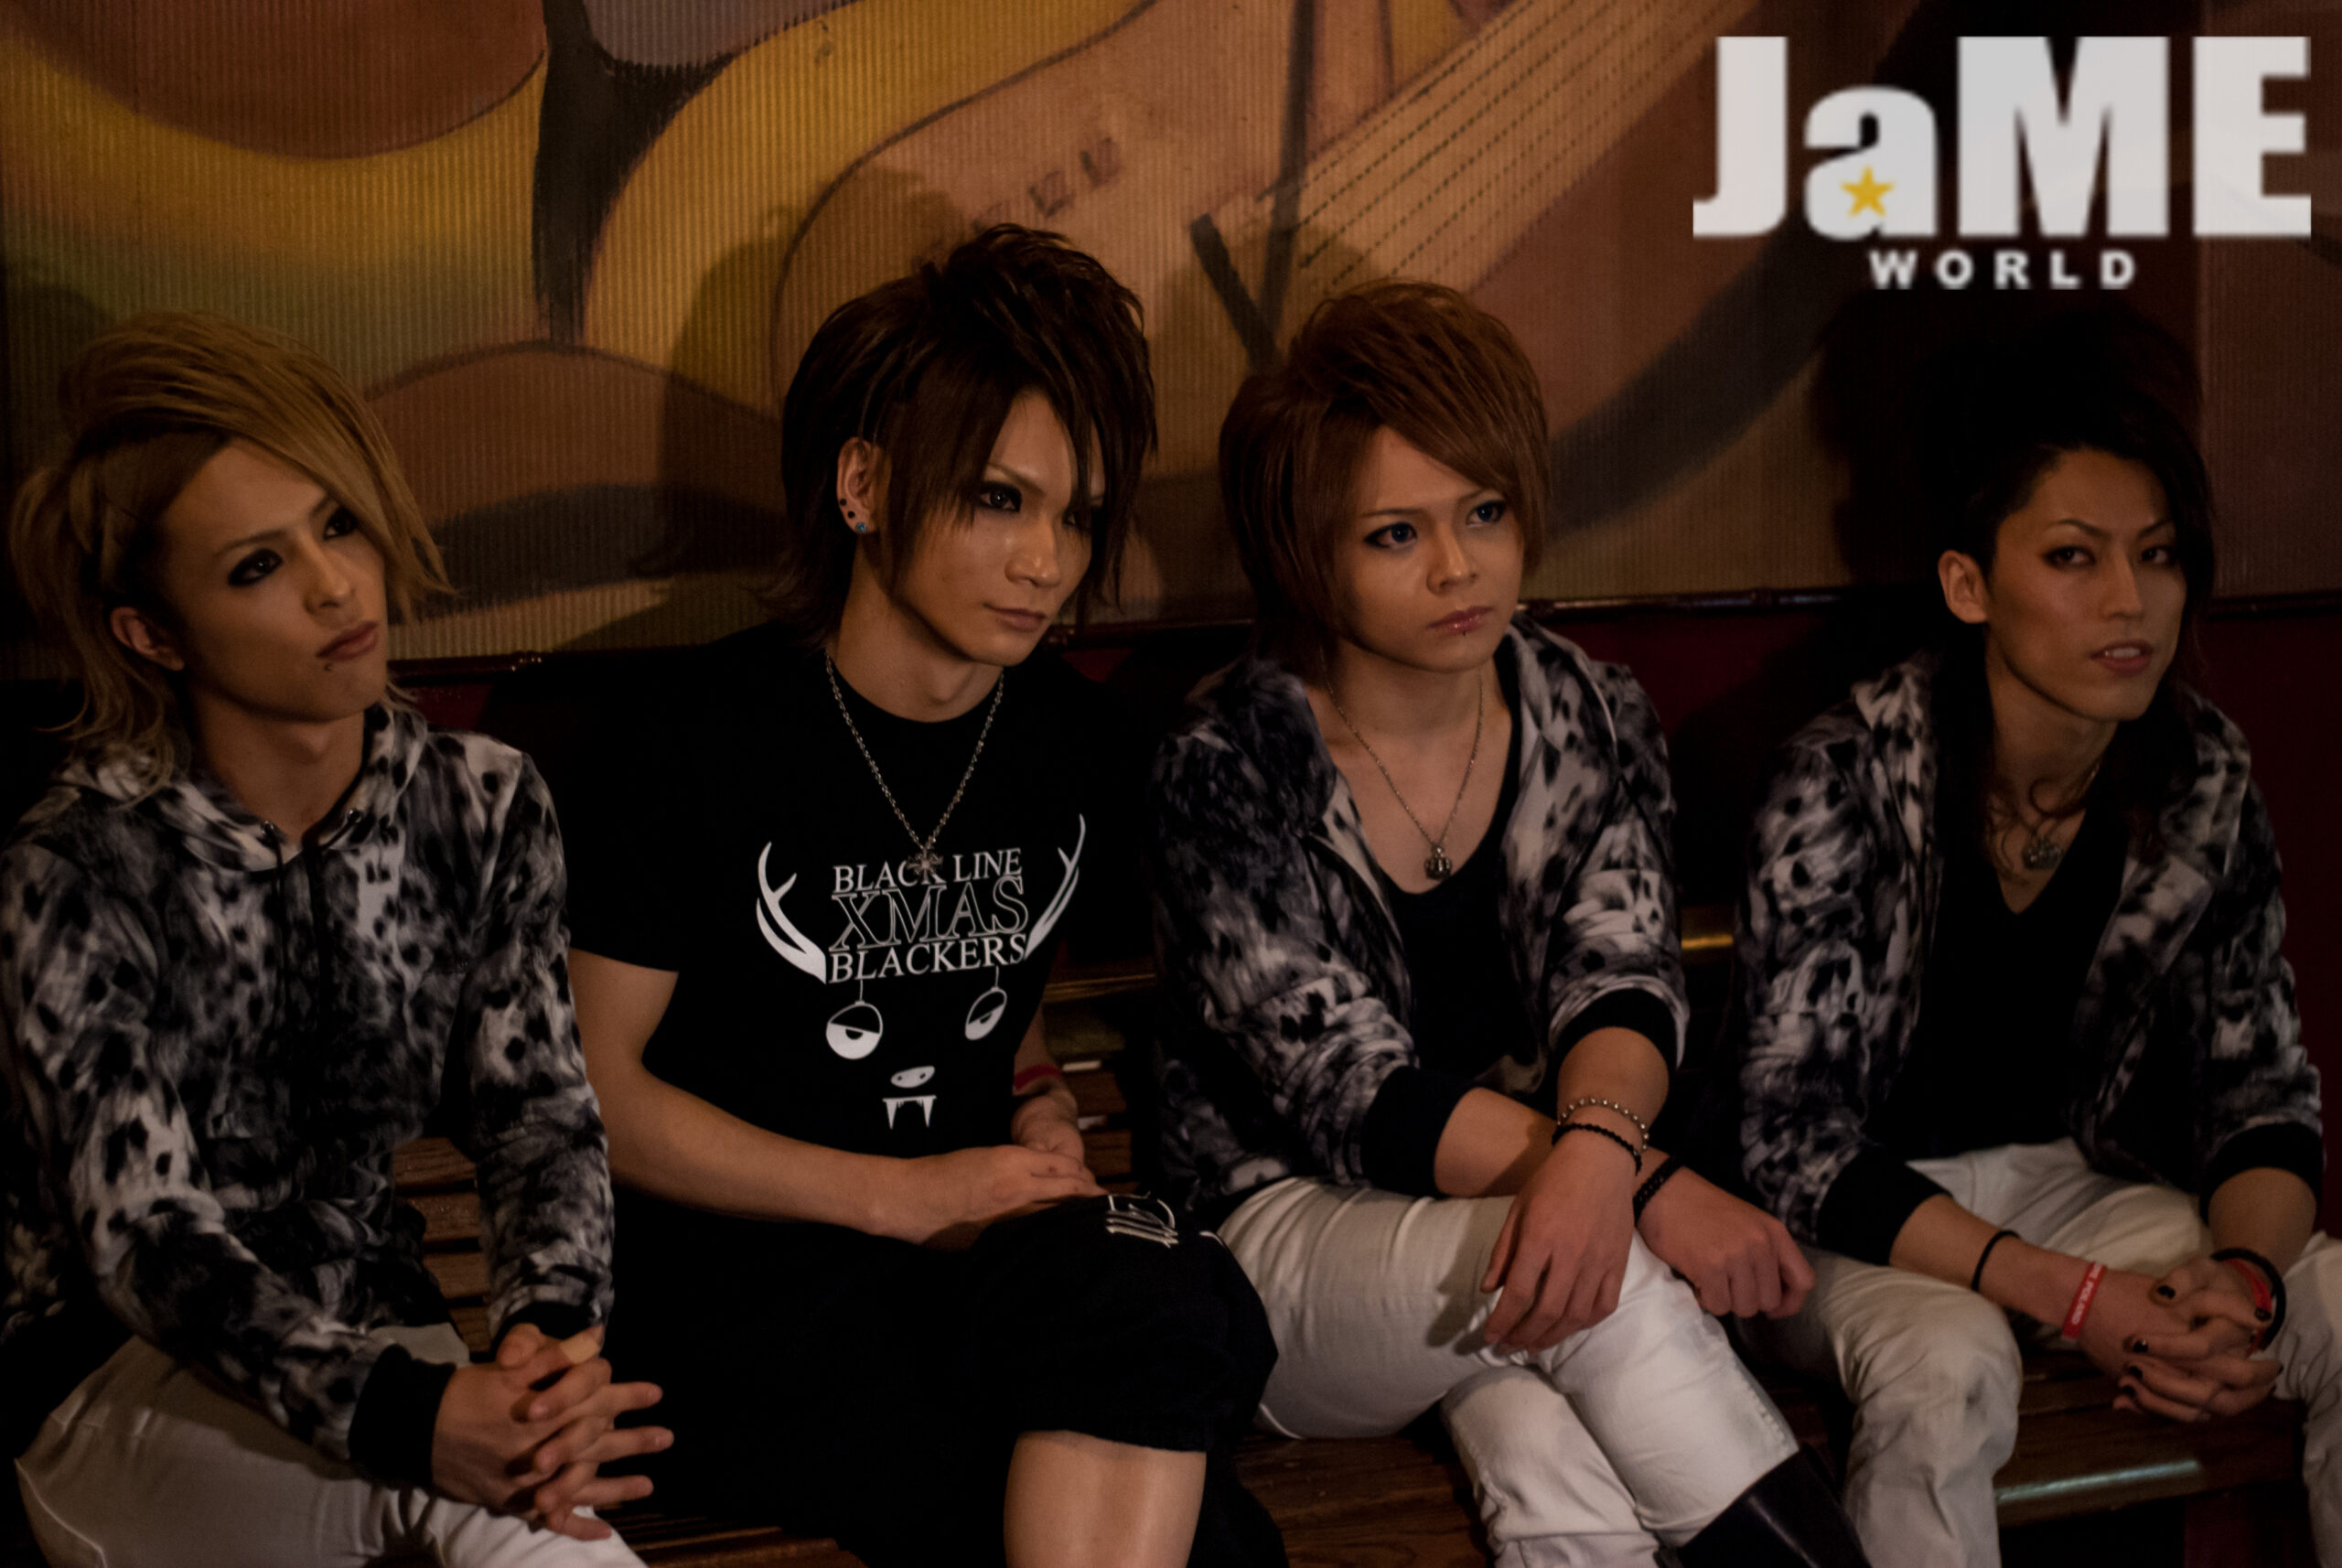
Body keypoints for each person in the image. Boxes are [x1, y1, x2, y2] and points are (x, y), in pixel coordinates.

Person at [560, 226, 1282, 1568]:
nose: (1048, 561)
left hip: (975, 1269)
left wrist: (1037, 1096)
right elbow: (593, 1087)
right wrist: (895, 1195)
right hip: (740, 1298)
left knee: (1188, 1298)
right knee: (1211, 1529)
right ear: (864, 483)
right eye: (1000, 500)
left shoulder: (1068, 747)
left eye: (1076, 514)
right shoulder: (691, 742)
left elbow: (992, 995)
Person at [1146, 280, 1868, 1568]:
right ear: (1306, 551)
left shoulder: (1585, 706)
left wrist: (1599, 1162)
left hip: (1532, 1218)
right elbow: (1351, 1093)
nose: (1459, 566)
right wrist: (1633, 1179)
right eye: (1395, 533)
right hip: (1287, 1242)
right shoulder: (1229, 763)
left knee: (1555, 1470)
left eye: (1483, 511)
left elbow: (1625, 972)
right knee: (1615, 1284)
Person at [0, 312, 667, 1566]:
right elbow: (144, 1237)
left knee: (525, 1500)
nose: (334, 585)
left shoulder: (480, 803)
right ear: (153, 633)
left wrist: (546, 1344)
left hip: (390, 1340)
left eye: (339, 523)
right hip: (120, 1385)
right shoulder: (85, 863)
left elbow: (539, 1117)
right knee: (517, 1525)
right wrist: (415, 1419)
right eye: (258, 566)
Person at [1729, 316, 2339, 1567]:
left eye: (2157, 555)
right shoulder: (1848, 774)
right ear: (1970, 586)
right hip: (1853, 1220)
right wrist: (2075, 1297)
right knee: (1948, 1368)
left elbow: (2262, 1096)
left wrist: (2245, 1281)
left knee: (2333, 1302)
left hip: (2072, 1187)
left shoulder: (2199, 773)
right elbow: (1791, 1145)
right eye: (2072, 556)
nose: (2129, 600)